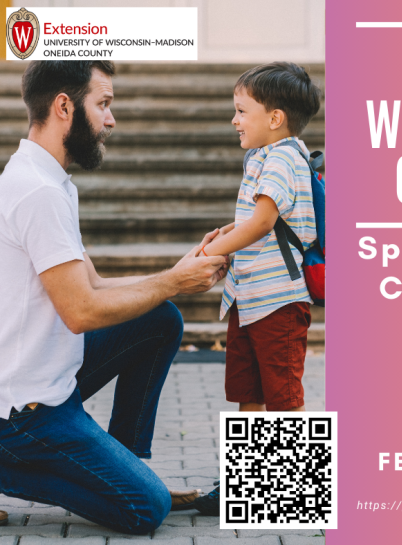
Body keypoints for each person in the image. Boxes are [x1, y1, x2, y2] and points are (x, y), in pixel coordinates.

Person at [0, 61, 229, 534]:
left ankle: (125, 461)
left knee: (159, 318)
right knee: (145, 508)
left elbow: (96, 286)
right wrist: (174, 281)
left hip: (49, 378)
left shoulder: (49, 181)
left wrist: (176, 274)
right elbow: (82, 311)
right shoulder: (36, 191)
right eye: (103, 104)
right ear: (64, 106)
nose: (111, 119)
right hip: (25, 412)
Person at [190, 62, 322, 516]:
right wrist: (224, 233)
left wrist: (211, 256)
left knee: (282, 396)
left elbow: (265, 222)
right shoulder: (263, 157)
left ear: (275, 118)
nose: (234, 119)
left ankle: (293, 493)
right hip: (249, 300)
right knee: (250, 391)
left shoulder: (286, 155)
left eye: (241, 110)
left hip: (279, 301)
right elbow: (257, 219)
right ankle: (250, 485)